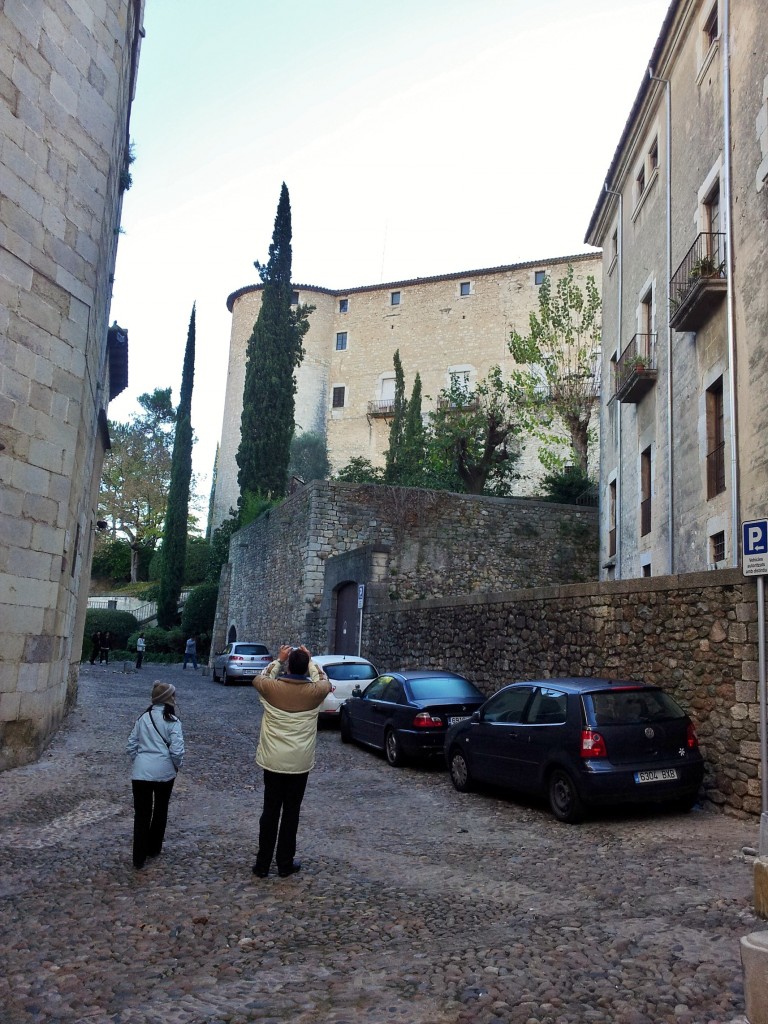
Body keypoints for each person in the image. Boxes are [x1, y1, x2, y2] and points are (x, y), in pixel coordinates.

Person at [251, 646, 331, 879]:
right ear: (305, 667)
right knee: (291, 813)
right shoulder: (315, 691)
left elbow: (261, 677)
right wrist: (311, 660)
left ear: (287, 666)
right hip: (299, 762)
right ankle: (285, 863)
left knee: (270, 810)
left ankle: (262, 864)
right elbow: (323, 679)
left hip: (273, 760)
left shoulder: (272, 688)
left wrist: (278, 660)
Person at [126, 682, 184, 870]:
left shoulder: (143, 718)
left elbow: (131, 745)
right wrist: (175, 766)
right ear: (169, 699)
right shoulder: (173, 722)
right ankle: (154, 848)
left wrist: (141, 761)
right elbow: (177, 751)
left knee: (141, 814)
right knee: (160, 810)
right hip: (165, 772)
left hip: (141, 773)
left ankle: (138, 857)